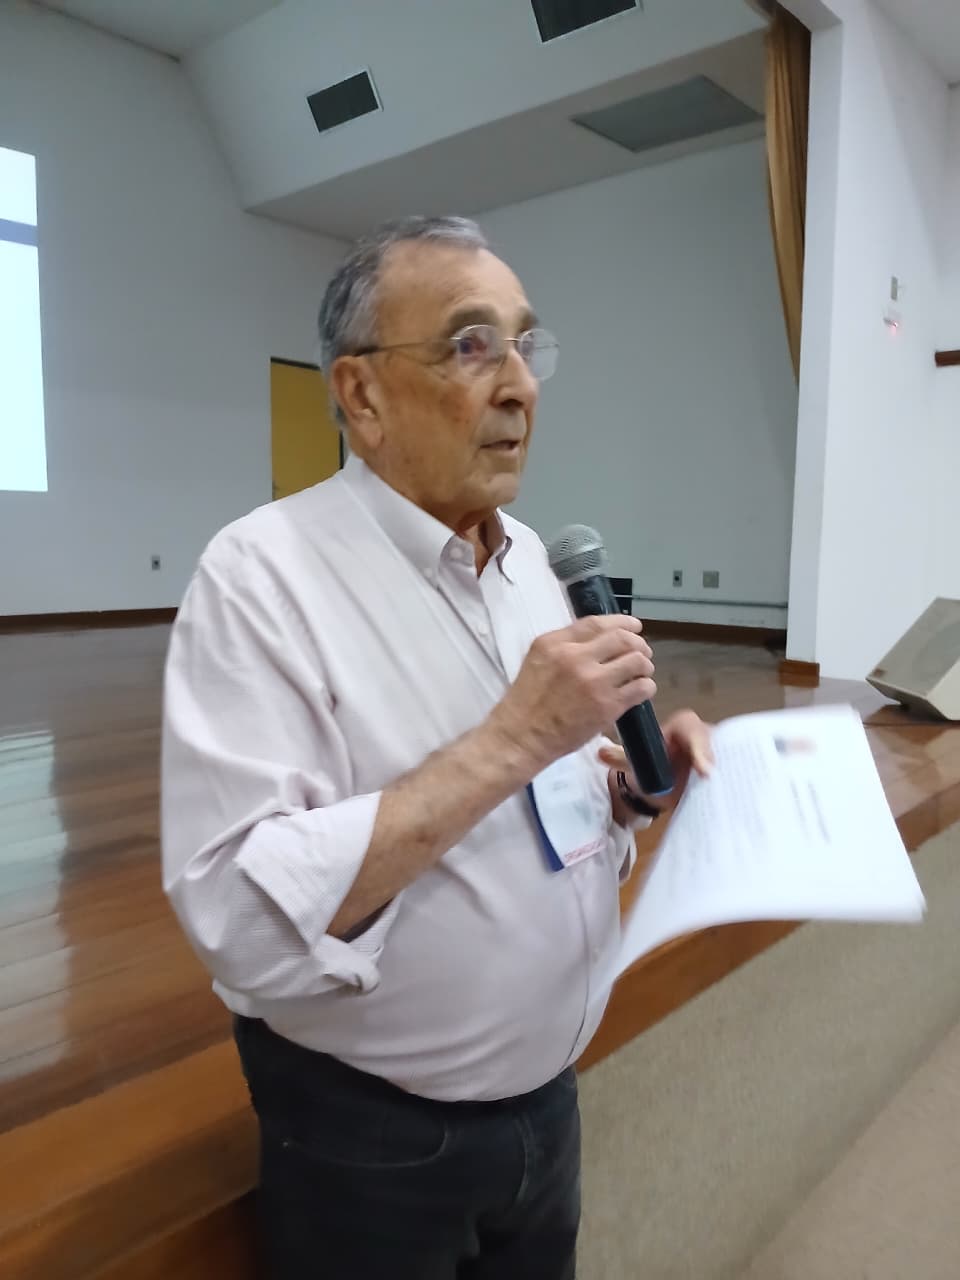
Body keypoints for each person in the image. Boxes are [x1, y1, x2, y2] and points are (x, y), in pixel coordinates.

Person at [162, 215, 713, 1279]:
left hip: (549, 1103)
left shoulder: (534, 565)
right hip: (375, 1143)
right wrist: (515, 736)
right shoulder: (260, 574)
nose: (521, 385)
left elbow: (541, 796)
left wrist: (624, 791)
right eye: (472, 344)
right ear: (361, 394)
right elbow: (237, 911)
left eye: (526, 344)